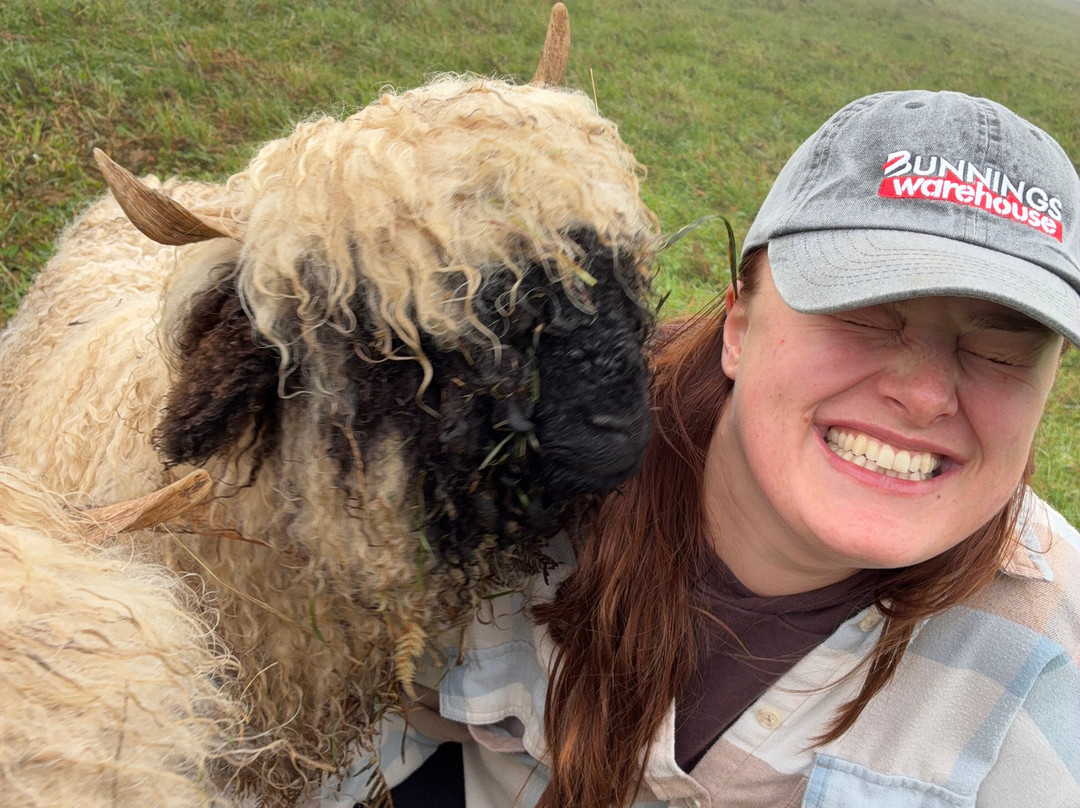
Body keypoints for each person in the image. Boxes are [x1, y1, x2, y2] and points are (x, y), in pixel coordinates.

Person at [337, 90, 1080, 808]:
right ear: (739, 326)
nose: (924, 394)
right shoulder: (508, 463)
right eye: (865, 313)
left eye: (1000, 348)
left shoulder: (1056, 647)